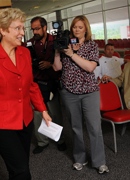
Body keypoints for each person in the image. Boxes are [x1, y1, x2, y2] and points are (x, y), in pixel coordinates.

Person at [0, 8, 52, 180]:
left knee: (18, 167)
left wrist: (43, 110)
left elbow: (31, 85)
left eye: (23, 29)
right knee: (22, 171)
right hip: (2, 125)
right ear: (2, 30)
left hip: (25, 120)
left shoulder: (24, 53)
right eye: (17, 28)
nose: (22, 33)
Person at [52, 15, 109, 174]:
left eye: (80, 27)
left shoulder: (91, 45)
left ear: (86, 29)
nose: (76, 30)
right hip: (69, 92)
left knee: (94, 127)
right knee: (76, 128)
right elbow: (57, 68)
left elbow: (90, 67)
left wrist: (71, 54)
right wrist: (57, 52)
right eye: (74, 27)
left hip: (89, 91)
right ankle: (80, 158)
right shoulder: (66, 45)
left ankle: (99, 162)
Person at [26, 16, 66, 154]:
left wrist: (50, 64)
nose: (35, 32)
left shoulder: (55, 41)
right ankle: (42, 142)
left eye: (37, 29)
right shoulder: (29, 44)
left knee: (56, 114)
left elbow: (63, 61)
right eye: (33, 29)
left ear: (44, 27)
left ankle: (60, 140)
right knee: (37, 116)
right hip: (36, 85)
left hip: (52, 83)